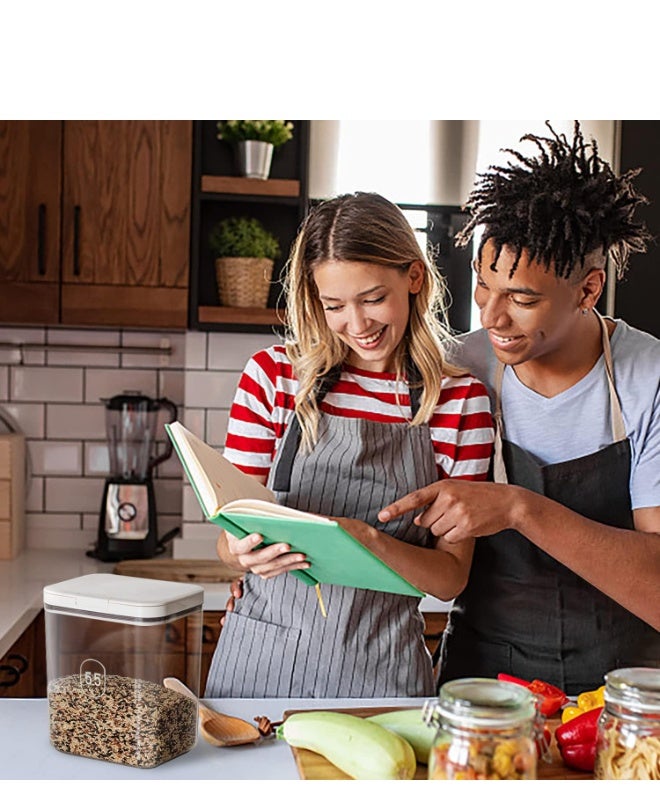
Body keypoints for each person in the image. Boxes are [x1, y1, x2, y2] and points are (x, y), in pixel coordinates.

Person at [379, 121, 660, 695]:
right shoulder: (455, 370)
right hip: (482, 684)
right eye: (484, 285)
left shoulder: (648, 378)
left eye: (522, 298)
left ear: (588, 290)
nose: (491, 316)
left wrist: (517, 508)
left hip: (628, 691)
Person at [205, 192, 494, 698]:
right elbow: (229, 540)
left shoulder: (458, 401)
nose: (357, 326)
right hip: (257, 661)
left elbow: (450, 578)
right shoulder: (274, 378)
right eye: (334, 306)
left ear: (414, 277)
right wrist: (241, 553)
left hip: (384, 668)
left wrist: (368, 541)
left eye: (373, 299)